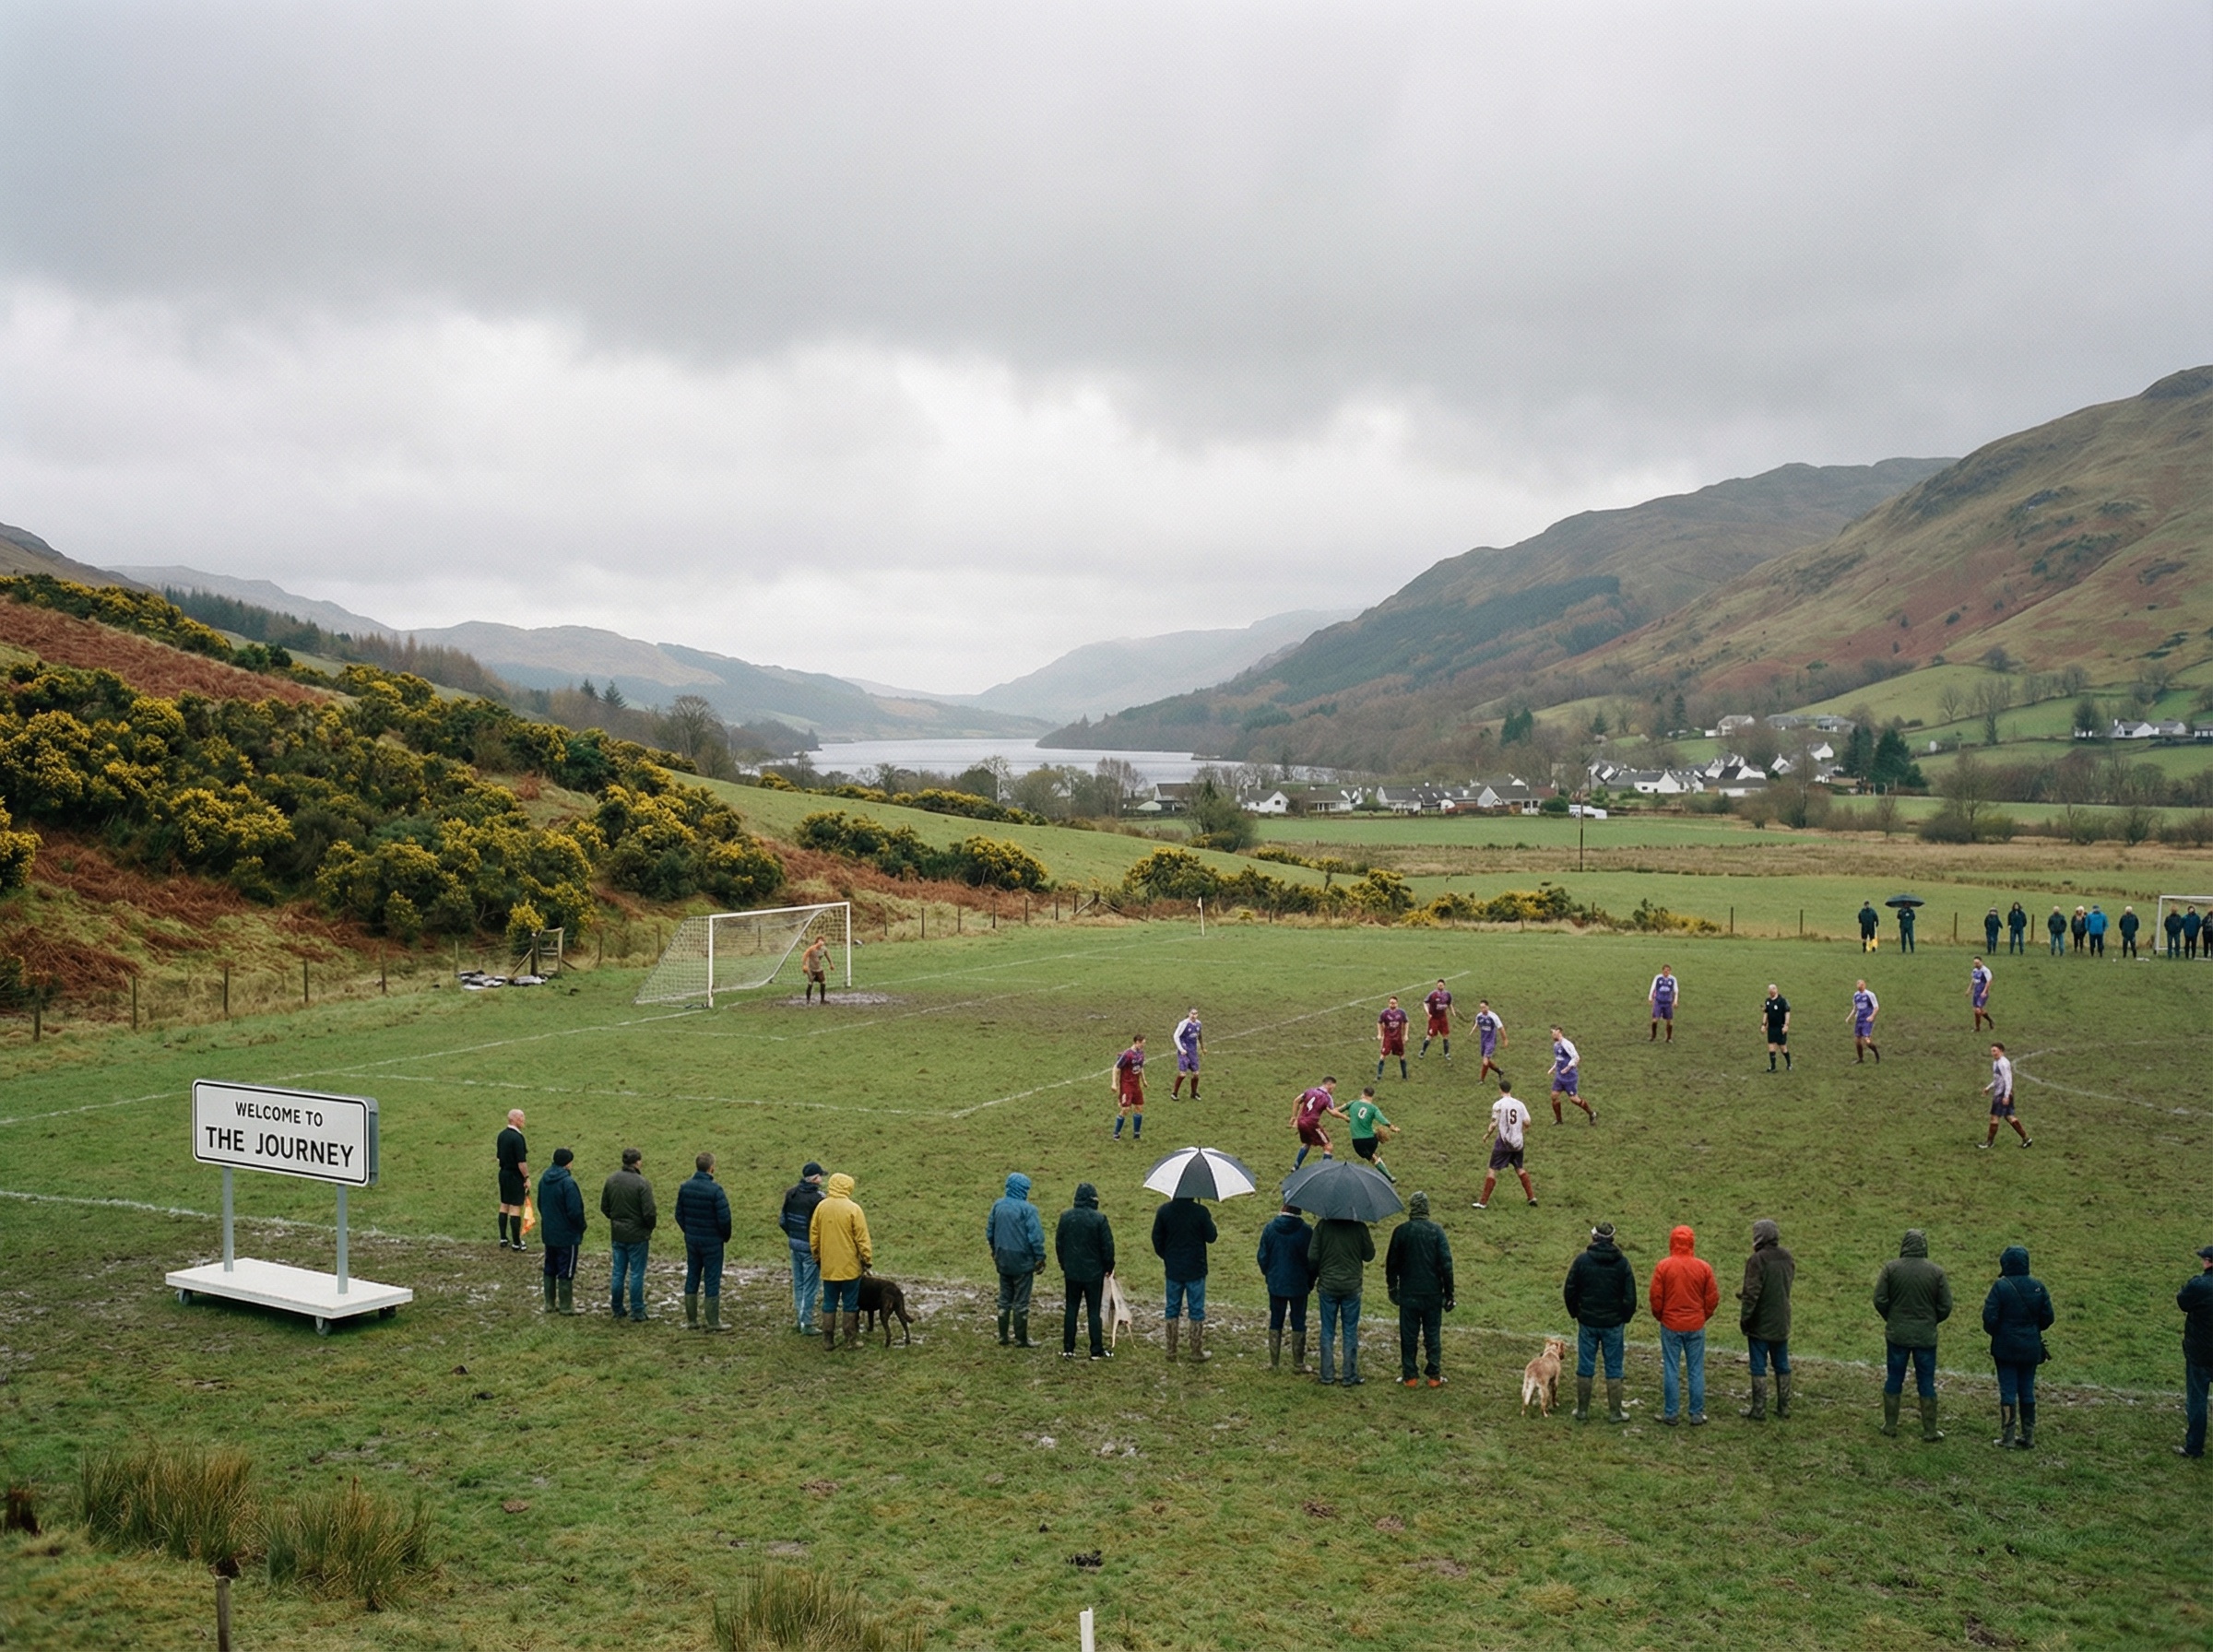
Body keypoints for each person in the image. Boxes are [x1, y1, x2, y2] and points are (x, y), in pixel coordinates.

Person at [1875, 1228, 1953, 1441]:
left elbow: (1879, 1299)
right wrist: (1931, 1320)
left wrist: (1891, 1318)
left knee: (1894, 1378)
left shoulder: (1891, 1269)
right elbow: (1946, 1305)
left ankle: (1890, 1425)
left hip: (1897, 1334)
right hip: (1925, 1336)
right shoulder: (1936, 1272)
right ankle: (1929, 1430)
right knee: (1926, 1381)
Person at [1564, 1221, 1638, 1422]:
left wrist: (1576, 1313)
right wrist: (1624, 1317)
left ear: (1594, 1238)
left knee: (1585, 1365)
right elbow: (1630, 1296)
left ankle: (1582, 1411)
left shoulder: (1582, 1261)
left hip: (1587, 1322)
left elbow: (1570, 1289)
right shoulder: (1622, 1264)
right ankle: (1615, 1413)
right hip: (1613, 1324)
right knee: (1614, 1367)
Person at [1982, 1245, 2054, 1449]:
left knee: (2008, 1391)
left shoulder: (2001, 1287)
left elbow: (1989, 1317)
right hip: (2030, 1347)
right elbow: (2048, 1318)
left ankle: (2007, 1437)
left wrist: (1998, 1333)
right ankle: (2028, 1435)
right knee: (2027, 1390)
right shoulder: (2038, 1286)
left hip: (2005, 1348)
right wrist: (2032, 1331)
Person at [1650, 1225, 1720, 1426]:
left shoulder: (1664, 1266)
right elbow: (1712, 1298)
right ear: (1692, 1242)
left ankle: (1671, 1413)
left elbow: (1656, 1297)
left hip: (1670, 1324)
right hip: (1695, 1325)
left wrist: (1661, 1316)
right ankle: (1696, 1413)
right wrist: (1702, 1316)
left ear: (1672, 1242)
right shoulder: (1703, 1267)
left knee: (1671, 1368)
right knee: (1696, 1369)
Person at [1386, 1191, 1455, 1387]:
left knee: (1409, 1336)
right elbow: (1446, 1264)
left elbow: (1392, 1263)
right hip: (1433, 1294)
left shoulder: (1401, 1231)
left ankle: (1410, 1376)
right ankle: (1434, 1376)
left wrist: (1393, 1288)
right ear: (1427, 1210)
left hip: (1409, 1294)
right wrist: (1449, 1294)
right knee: (1432, 1335)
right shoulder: (1437, 1232)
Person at [1737, 1218, 1794, 1422]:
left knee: (1758, 1366)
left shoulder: (1757, 1260)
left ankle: (1759, 1409)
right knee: (1782, 1364)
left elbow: (1752, 1294)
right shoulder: (1787, 1257)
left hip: (1760, 1324)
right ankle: (1784, 1407)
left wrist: (1745, 1318)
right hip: (1781, 1321)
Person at [809, 1172, 872, 1352]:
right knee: (850, 1303)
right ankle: (850, 1339)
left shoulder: (821, 1207)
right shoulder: (853, 1209)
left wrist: (817, 1257)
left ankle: (827, 1339)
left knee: (829, 1302)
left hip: (828, 1265)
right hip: (850, 1267)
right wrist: (867, 1259)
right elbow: (862, 1239)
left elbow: (814, 1236)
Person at [1309, 1211, 1375, 1386]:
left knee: (1327, 1330)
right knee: (1350, 1331)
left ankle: (1327, 1375)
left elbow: (1313, 1256)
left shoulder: (1323, 1226)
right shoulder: (1360, 1228)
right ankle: (1349, 1375)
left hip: (1328, 1285)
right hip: (1352, 1286)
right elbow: (1369, 1255)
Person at [1152, 1193, 1218, 1363]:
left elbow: (1157, 1239)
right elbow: (1212, 1237)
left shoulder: (1164, 1211)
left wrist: (1167, 1256)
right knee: (1196, 1310)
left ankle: (1171, 1350)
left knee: (1172, 1308)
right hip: (1195, 1268)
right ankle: (1196, 1351)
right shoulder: (1201, 1212)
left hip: (1173, 1269)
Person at [1054, 1181, 1116, 1361]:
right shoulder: (1099, 1219)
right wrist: (1108, 1268)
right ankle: (1096, 1350)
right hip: (1093, 1274)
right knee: (1093, 1311)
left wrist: (1064, 1265)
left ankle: (1068, 1349)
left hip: (1072, 1272)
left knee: (1071, 1308)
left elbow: (1059, 1244)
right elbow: (1108, 1247)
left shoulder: (1066, 1217)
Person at [987, 1171, 1047, 1349]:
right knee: (1021, 1300)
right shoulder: (1028, 1210)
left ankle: (1003, 1336)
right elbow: (1035, 1237)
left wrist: (994, 1251)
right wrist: (1040, 1257)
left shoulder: (998, 1205)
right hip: (1022, 1261)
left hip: (1002, 1258)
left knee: (1004, 1297)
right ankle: (1021, 1339)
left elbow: (990, 1231)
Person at [675, 1150, 732, 1332]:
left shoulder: (685, 1187)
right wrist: (724, 1236)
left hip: (692, 1240)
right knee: (712, 1279)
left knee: (692, 1275)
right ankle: (713, 1321)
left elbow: (679, 1215)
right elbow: (724, 1219)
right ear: (711, 1168)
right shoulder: (716, 1190)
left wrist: (689, 1231)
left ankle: (692, 1320)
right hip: (713, 1243)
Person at [1256, 1199, 1317, 1373]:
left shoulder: (1269, 1228)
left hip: (1276, 1283)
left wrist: (1269, 1274)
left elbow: (1262, 1257)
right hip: (1299, 1284)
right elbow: (1312, 1260)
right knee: (1299, 1322)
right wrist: (1310, 1280)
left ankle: (1274, 1363)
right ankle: (1298, 1363)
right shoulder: (1306, 1231)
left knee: (1276, 1321)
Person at [600, 1148, 657, 1323]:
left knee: (618, 1272)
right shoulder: (642, 1184)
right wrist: (648, 1228)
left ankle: (617, 1308)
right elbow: (649, 1213)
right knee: (636, 1273)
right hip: (638, 1236)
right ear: (638, 1162)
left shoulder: (611, 1180)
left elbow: (605, 1207)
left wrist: (617, 1220)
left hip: (618, 1234)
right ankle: (637, 1310)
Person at [779, 1162, 826, 1334]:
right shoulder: (819, 1199)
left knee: (798, 1284)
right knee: (810, 1286)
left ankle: (799, 1319)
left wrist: (793, 1236)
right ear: (815, 1179)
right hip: (810, 1249)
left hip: (794, 1245)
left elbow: (782, 1221)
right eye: (820, 1176)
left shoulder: (791, 1193)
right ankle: (806, 1323)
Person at [538, 1146, 586, 1316]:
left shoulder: (544, 1179)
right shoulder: (568, 1183)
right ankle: (565, 1306)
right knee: (566, 1269)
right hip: (567, 1235)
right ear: (568, 1163)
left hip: (549, 1232)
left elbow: (540, 1204)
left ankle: (549, 1303)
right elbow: (575, 1211)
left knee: (550, 1266)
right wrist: (581, 1227)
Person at [1474, 1079, 1535, 1209]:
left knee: (1492, 1170)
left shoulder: (1498, 1105)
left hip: (1504, 1142)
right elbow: (1528, 1122)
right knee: (1519, 1168)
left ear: (1500, 1089)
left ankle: (1483, 1202)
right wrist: (1522, 1130)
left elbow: (1493, 1124)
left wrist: (1486, 1135)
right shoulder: (1520, 1104)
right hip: (1518, 1142)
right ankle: (1531, 1197)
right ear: (1510, 1090)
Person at [2177, 1244, 2213, 1458]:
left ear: (2208, 1262)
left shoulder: (2199, 1285)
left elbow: (2182, 1301)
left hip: (2200, 1352)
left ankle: (2194, 1447)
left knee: (2197, 1399)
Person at [1982, 1043, 2030, 1149]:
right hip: (2002, 1093)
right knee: (2009, 1117)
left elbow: (2008, 1080)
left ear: (2001, 1051)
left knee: (1994, 1118)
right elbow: (1998, 1079)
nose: (1992, 1053)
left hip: (2002, 1094)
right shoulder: (1996, 1062)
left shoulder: (2003, 1063)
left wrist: (2006, 1095)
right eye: (1991, 1051)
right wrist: (1988, 1087)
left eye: (1994, 1051)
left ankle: (1989, 1143)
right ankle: (2027, 1139)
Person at [1291, 1077, 1344, 1171]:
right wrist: (1346, 1118)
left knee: (1307, 1143)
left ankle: (1295, 1167)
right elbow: (1332, 1112)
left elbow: (1296, 1101)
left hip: (1301, 1121)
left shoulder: (1310, 1091)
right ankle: (1324, 1170)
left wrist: (1294, 1117)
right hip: (1311, 1123)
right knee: (1328, 1146)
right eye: (1333, 1088)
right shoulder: (1326, 1096)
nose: (1333, 1091)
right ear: (1329, 1085)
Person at [495, 1108, 530, 1252]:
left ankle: (503, 1237)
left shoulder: (501, 1135)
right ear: (514, 1119)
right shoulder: (517, 1138)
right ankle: (516, 1242)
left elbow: (498, 1156)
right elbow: (521, 1162)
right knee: (515, 1207)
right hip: (515, 1175)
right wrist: (526, 1177)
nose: (524, 1120)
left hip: (503, 1173)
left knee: (504, 1204)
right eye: (521, 1117)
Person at [1346, 1085, 1396, 1183]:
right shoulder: (1374, 1108)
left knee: (1371, 1157)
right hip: (1372, 1140)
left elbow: (1336, 1110)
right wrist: (1391, 1127)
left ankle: (1388, 1176)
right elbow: (1382, 1119)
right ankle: (1389, 1175)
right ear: (1372, 1096)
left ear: (1363, 1094)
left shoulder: (1353, 1103)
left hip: (1358, 1142)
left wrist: (1345, 1118)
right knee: (1374, 1155)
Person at [1549, 1026, 1593, 1124]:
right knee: (1554, 1096)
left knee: (1574, 1099)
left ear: (1559, 1032)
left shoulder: (1567, 1044)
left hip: (1569, 1077)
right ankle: (1559, 1120)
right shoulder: (1556, 1045)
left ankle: (1591, 1114)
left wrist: (1568, 1068)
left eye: (1553, 1032)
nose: (1552, 1035)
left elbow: (1577, 1058)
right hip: (1559, 1076)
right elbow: (1559, 1059)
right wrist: (1553, 1068)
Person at [1110, 1032, 1146, 1142]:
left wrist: (1144, 1080)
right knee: (1125, 1109)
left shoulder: (1141, 1054)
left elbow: (1140, 1067)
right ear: (1137, 1042)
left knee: (1139, 1108)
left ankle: (1136, 1134)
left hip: (1136, 1085)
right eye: (1142, 1043)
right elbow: (1116, 1068)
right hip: (1127, 1085)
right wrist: (1114, 1083)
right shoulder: (1127, 1054)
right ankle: (1116, 1132)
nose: (1143, 1045)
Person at [1171, 1008, 1203, 1099]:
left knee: (1196, 1074)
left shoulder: (1198, 1024)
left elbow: (1199, 1036)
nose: (1193, 1015)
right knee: (1183, 1074)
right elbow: (1176, 1036)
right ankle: (1174, 1093)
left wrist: (1202, 1047)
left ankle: (1194, 1093)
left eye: (1195, 1013)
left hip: (1193, 1052)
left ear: (1197, 1014)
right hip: (1184, 1051)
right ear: (1189, 1014)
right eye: (1192, 1013)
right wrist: (1181, 1049)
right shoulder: (1183, 1023)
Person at [1376, 996, 1410, 1082]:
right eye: (1391, 1003)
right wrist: (1380, 1034)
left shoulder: (1401, 1012)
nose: (1392, 1004)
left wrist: (1406, 1035)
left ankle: (1405, 1076)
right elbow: (1379, 1022)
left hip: (1398, 1038)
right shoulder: (1384, 1013)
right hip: (1388, 1038)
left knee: (1402, 1055)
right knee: (1383, 1055)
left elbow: (1406, 1022)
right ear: (1388, 1003)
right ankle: (1378, 1076)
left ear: (1397, 1003)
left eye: (1394, 1003)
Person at [1420, 979, 1453, 1059]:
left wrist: (1452, 1011)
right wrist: (1428, 1013)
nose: (1440, 986)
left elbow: (1449, 1004)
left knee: (1445, 1035)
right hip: (1434, 1018)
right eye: (1439, 985)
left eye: (1441, 985)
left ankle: (1447, 1054)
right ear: (1437, 985)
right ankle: (1422, 1051)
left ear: (1444, 986)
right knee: (1429, 1036)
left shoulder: (1447, 994)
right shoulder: (1433, 994)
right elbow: (1425, 1002)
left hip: (1442, 1018)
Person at [1473, 999, 1507, 1080]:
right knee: (1487, 1060)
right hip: (1483, 1041)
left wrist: (1505, 1040)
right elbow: (1477, 1023)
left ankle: (1481, 1080)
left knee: (1485, 1062)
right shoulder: (1479, 1016)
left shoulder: (1493, 1017)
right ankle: (1499, 1071)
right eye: (1481, 1008)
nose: (1483, 1009)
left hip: (1490, 1041)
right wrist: (1473, 1030)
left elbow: (1501, 1028)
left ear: (1488, 1007)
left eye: (1484, 1007)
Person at [1762, 985, 1792, 1072]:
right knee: (1771, 1047)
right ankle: (1773, 1067)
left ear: (1776, 990)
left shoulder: (1782, 1001)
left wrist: (1786, 1025)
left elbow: (1787, 1013)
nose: (1771, 992)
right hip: (1771, 1028)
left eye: (1772, 990)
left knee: (1783, 1048)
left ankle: (1789, 1064)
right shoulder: (1768, 1001)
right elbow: (1766, 1013)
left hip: (1780, 1028)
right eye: (1770, 991)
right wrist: (1764, 1024)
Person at [1850, 980, 1880, 1064]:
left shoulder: (1870, 995)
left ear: (1864, 985)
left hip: (1867, 1020)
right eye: (1859, 986)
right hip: (1859, 1020)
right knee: (1857, 1041)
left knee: (1867, 1041)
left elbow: (1876, 1007)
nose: (1860, 987)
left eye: (1862, 985)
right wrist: (1850, 1017)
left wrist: (1872, 1016)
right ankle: (1860, 1059)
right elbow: (1855, 1008)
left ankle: (1877, 1055)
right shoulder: (1856, 995)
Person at [1648, 964, 1679, 1043]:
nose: (1666, 972)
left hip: (1668, 1003)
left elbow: (1676, 991)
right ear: (1662, 971)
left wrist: (1675, 1001)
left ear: (1670, 971)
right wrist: (1650, 997)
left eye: (1668, 971)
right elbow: (1653, 987)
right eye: (1665, 971)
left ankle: (1669, 1038)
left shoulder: (1673, 979)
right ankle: (1653, 1036)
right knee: (1655, 1020)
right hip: (1658, 1002)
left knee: (1669, 1021)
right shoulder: (1658, 978)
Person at [801, 933, 831, 1003]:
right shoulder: (812, 948)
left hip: (819, 969)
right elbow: (805, 956)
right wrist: (804, 965)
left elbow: (827, 956)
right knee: (810, 983)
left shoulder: (824, 949)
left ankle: (822, 1000)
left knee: (823, 982)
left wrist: (831, 964)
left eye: (822, 941)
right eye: (819, 941)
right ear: (816, 942)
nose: (821, 942)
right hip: (811, 969)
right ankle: (808, 1000)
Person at [1970, 958, 1994, 1032]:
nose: (1976, 964)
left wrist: (1984, 992)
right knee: (1977, 1011)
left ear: (1981, 962)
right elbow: (1973, 980)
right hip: (1976, 992)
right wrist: (1969, 989)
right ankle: (1990, 1021)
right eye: (1975, 963)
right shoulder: (1975, 970)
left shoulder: (1986, 971)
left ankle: (1977, 1028)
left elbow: (1989, 982)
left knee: (1977, 1010)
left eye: (1977, 963)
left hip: (1982, 992)